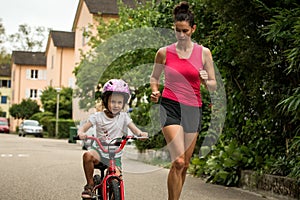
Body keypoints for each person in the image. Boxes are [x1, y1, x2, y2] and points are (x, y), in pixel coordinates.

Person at [150, 1, 217, 200]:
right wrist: (155, 91)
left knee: (186, 164)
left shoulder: (204, 53)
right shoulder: (164, 52)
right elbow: (154, 78)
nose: (181, 35)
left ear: (193, 29)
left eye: (185, 31)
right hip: (170, 106)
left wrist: (206, 80)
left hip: (193, 108)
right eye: (177, 30)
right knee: (178, 161)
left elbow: (213, 85)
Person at [77, 79, 148, 199]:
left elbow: (135, 130)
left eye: (119, 102)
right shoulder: (97, 117)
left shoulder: (124, 117)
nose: (116, 105)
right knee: (87, 156)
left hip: (115, 156)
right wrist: (81, 133)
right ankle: (90, 185)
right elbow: (83, 128)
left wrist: (141, 134)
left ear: (123, 104)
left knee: (117, 178)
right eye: (113, 101)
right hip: (99, 152)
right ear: (105, 101)